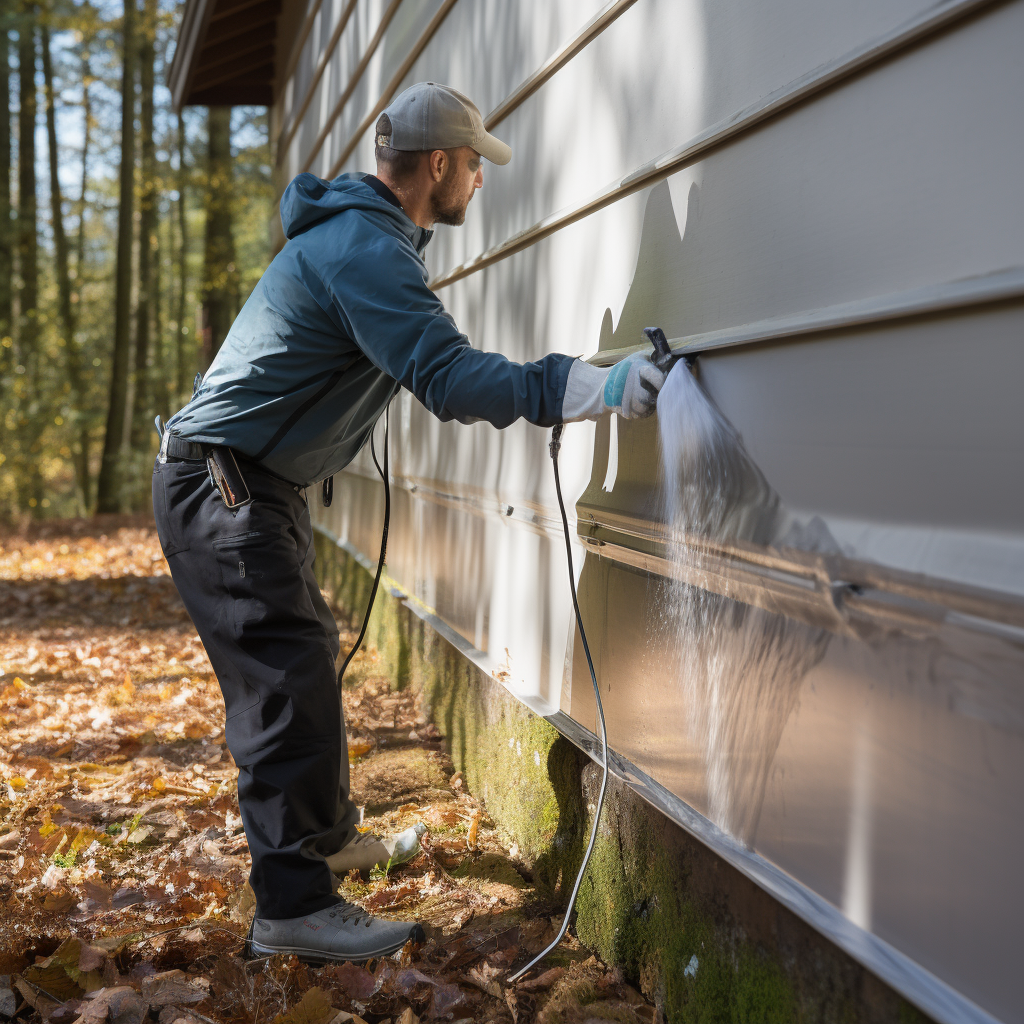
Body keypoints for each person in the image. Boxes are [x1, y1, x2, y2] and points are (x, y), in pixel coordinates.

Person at [152, 82, 666, 962]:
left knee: (304, 656)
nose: (479, 179)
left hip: (245, 487)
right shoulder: (364, 249)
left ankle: (323, 841)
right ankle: (293, 908)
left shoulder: (365, 238)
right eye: (474, 164)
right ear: (439, 166)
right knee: (284, 687)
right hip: (224, 488)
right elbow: (449, 376)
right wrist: (591, 387)